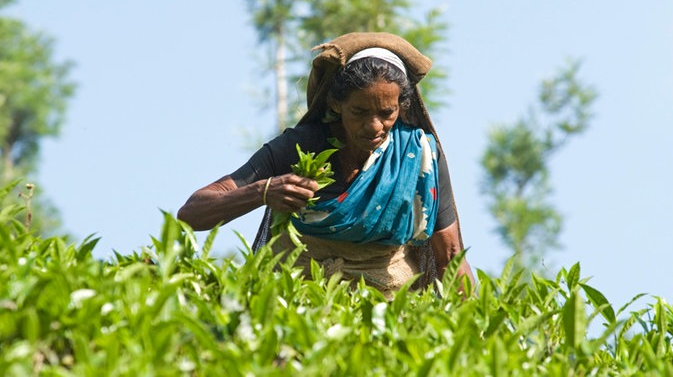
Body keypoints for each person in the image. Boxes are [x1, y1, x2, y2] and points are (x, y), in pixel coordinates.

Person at [178, 32, 474, 298]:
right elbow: (192, 213)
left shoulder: (418, 156)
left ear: (402, 107)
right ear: (336, 104)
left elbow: (449, 253)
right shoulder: (301, 146)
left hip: (385, 309)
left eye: (387, 113)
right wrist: (263, 191)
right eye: (359, 111)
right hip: (295, 302)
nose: (374, 126)